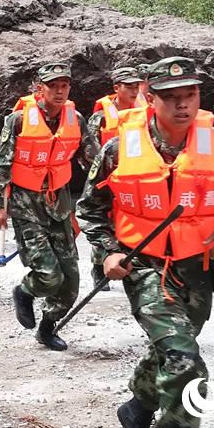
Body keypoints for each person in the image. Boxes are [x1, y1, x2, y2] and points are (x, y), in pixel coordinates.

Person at [76, 56, 214, 428]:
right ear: (150, 97)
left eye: (191, 95)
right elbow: (89, 208)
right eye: (171, 98)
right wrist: (109, 251)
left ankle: (138, 405)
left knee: (173, 345)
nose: (183, 105)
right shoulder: (118, 149)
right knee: (185, 360)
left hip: (197, 265)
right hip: (144, 265)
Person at [0, 62, 99, 351]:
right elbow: (0, 163)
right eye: (54, 86)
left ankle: (47, 328)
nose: (60, 91)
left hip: (59, 204)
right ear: (40, 88)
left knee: (71, 281)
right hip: (26, 204)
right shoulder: (19, 120)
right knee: (49, 276)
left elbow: (94, 159)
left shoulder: (76, 118)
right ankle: (24, 292)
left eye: (65, 86)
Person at [85, 66, 147, 292]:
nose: (134, 91)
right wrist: (98, 178)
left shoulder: (145, 113)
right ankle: (98, 266)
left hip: (136, 180)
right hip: (107, 179)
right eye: (128, 86)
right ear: (116, 88)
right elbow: (88, 151)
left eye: (136, 86)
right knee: (104, 223)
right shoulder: (100, 117)